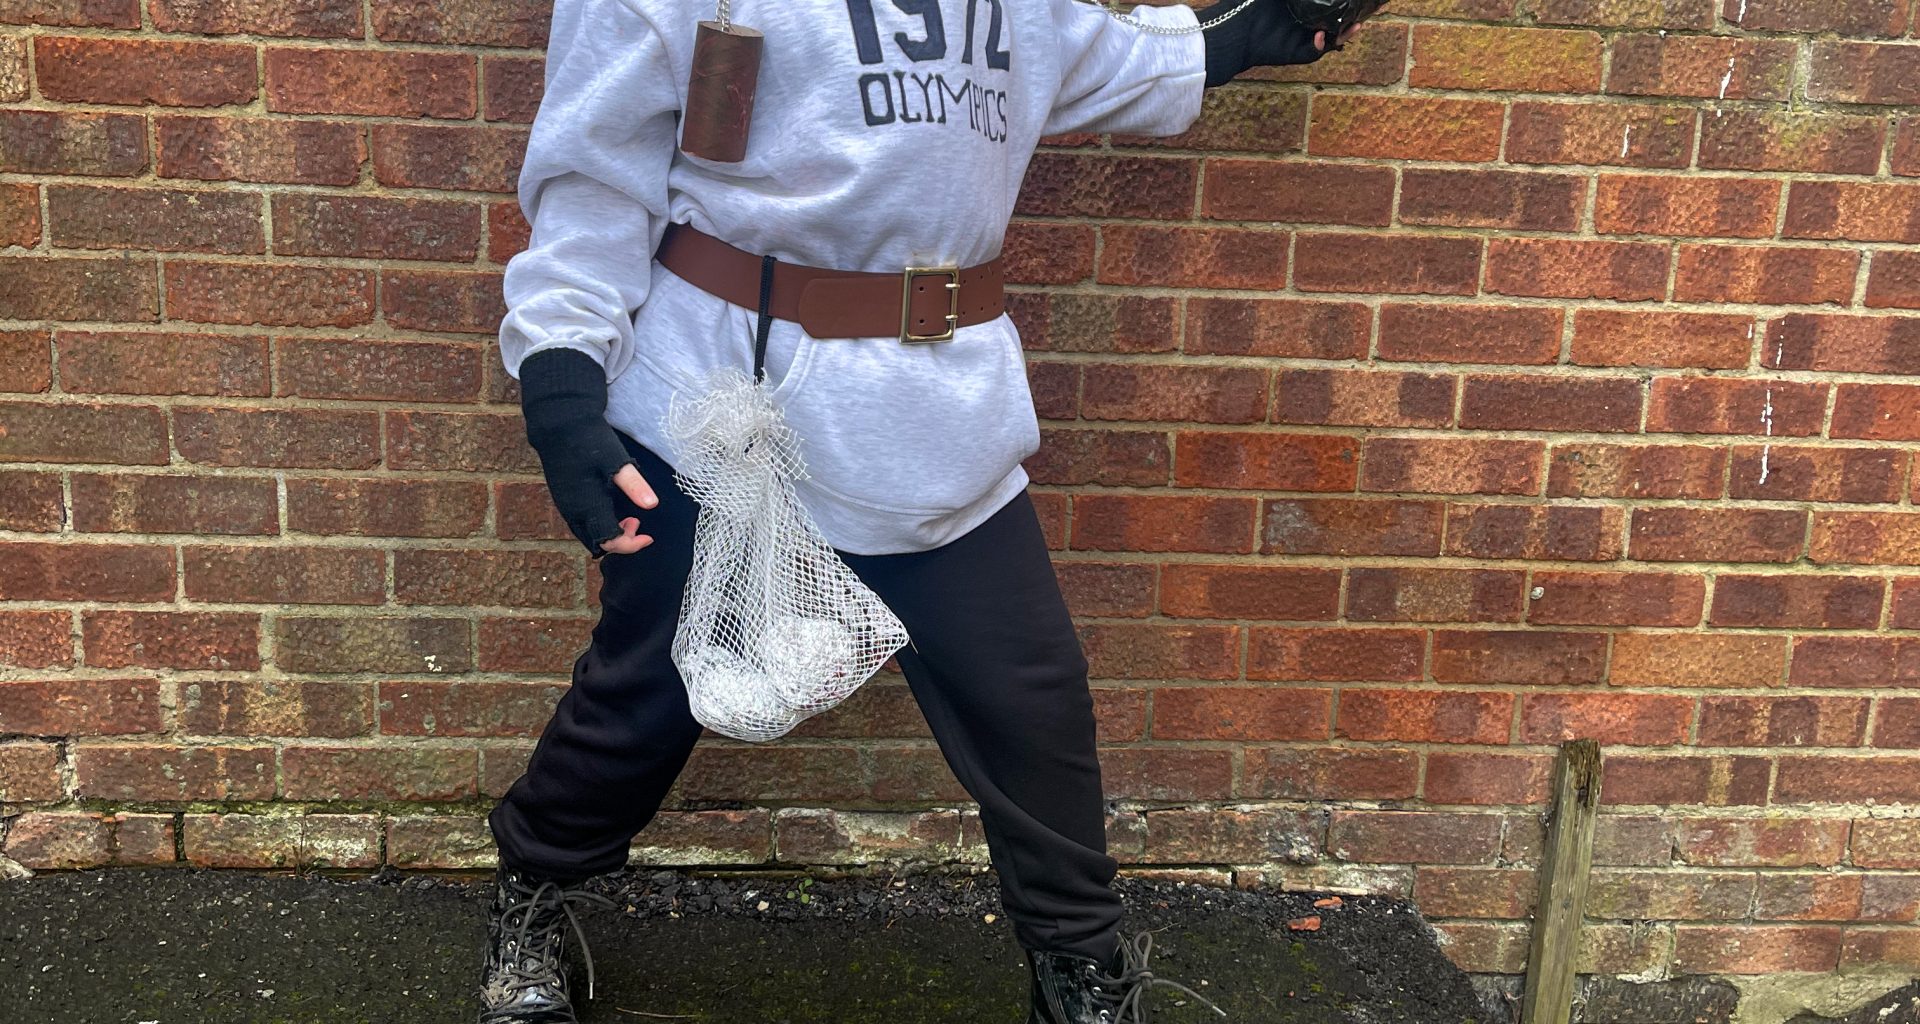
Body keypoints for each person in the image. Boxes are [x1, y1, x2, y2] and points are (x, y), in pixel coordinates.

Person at [480, 0, 1362, 1018]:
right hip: (721, 407)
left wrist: (1254, 31)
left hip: (937, 415)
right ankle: (534, 893)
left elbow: (1105, 58)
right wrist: (562, 382)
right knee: (648, 690)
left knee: (1029, 700)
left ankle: (1080, 968)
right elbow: (593, 179)